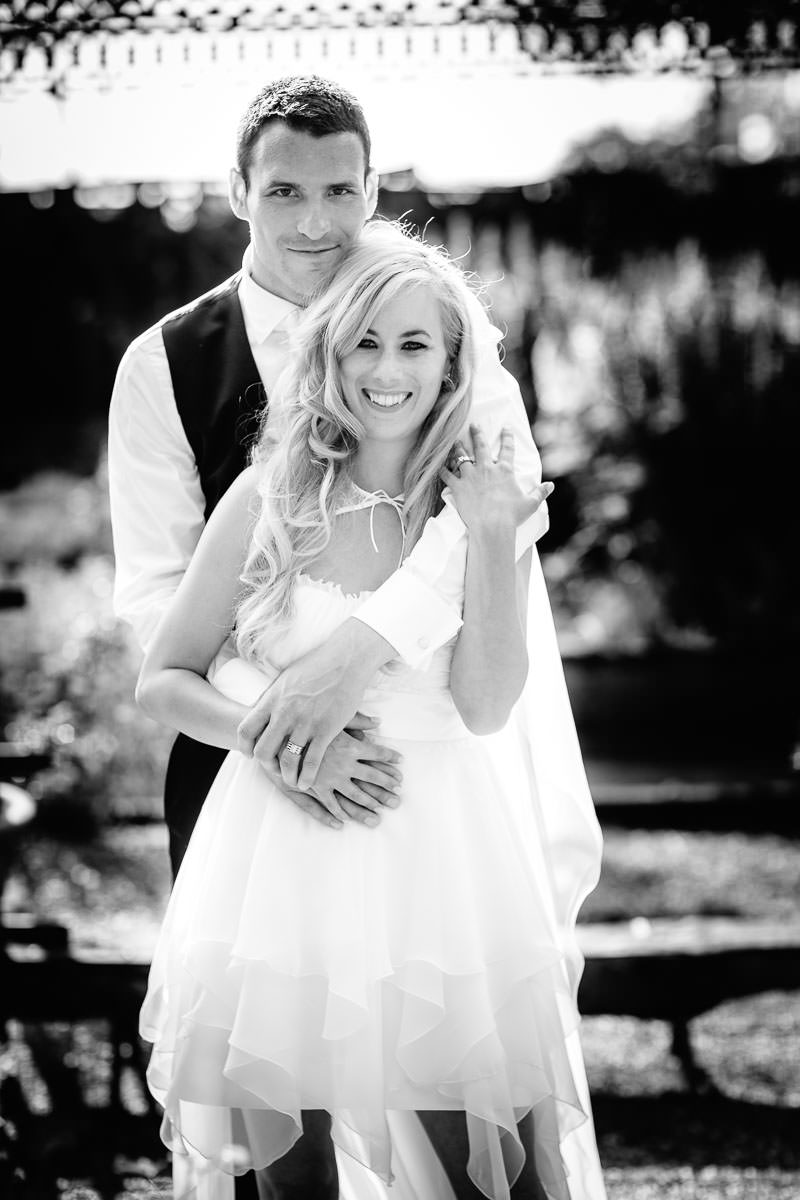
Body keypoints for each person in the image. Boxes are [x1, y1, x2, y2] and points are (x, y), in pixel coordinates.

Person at [136, 222, 606, 1200]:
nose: (384, 370)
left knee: (490, 1173)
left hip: (438, 852)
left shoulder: (473, 512)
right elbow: (165, 680)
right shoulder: (266, 499)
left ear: (449, 367)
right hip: (279, 857)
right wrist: (282, 744)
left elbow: (482, 707)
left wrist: (486, 539)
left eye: (413, 345)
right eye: (363, 341)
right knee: (290, 1180)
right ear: (327, 351)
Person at [107, 75, 548, 883]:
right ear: (238, 192)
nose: (314, 223)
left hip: (425, 758)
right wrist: (283, 733)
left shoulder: (439, 333)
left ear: (372, 190)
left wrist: (356, 656)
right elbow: (154, 592)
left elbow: (499, 513)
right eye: (283, 191)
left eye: (340, 190)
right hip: (236, 763)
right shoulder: (159, 366)